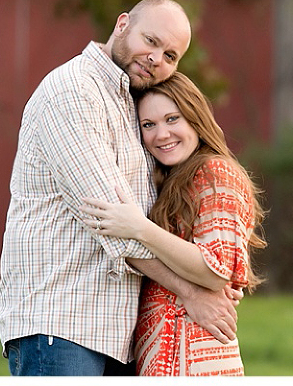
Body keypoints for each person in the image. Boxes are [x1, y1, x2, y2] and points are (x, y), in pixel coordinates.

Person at [0, 0, 242, 376]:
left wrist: (207, 278)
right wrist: (193, 292)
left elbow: (146, 220)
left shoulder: (133, 104)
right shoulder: (74, 92)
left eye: (171, 55)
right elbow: (111, 223)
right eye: (152, 41)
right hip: (63, 321)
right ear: (122, 24)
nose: (157, 58)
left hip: (117, 330)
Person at [80, 72, 267, 376]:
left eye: (172, 119)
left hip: (191, 352)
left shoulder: (215, 173)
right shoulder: (173, 181)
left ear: (195, 117)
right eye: (148, 125)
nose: (161, 134)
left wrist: (140, 228)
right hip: (167, 350)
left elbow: (215, 270)